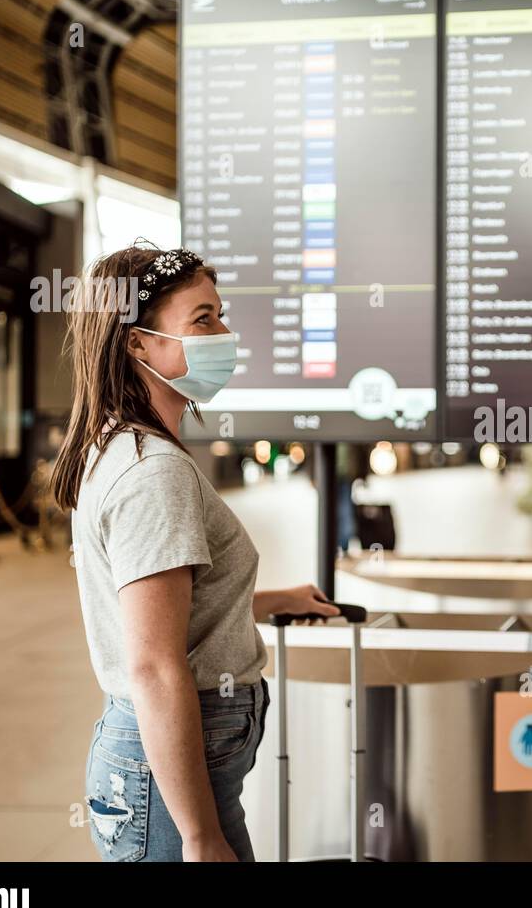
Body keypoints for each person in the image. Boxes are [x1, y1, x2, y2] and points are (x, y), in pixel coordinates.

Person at [52, 244, 340, 862]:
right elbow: (155, 664)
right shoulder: (153, 471)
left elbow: (163, 606)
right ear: (137, 343)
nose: (224, 334)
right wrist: (200, 836)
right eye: (203, 319)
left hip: (166, 773)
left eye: (222, 315)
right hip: (168, 786)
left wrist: (266, 600)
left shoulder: (121, 446)